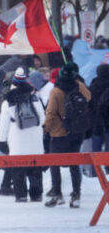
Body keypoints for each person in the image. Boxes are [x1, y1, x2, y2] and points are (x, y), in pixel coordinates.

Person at [43, 62, 91, 208]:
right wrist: (78, 81)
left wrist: (46, 129)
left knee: (54, 163)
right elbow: (88, 97)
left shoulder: (56, 91)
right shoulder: (79, 86)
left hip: (59, 132)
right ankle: (76, 194)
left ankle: (57, 194)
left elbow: (50, 113)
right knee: (74, 164)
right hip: (76, 132)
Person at [0, 68, 46, 202]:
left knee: (18, 169)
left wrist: (1, 141)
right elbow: (42, 119)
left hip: (17, 139)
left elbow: (3, 125)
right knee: (35, 169)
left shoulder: (8, 101)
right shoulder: (34, 98)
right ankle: (36, 195)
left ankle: (21, 195)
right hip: (35, 139)